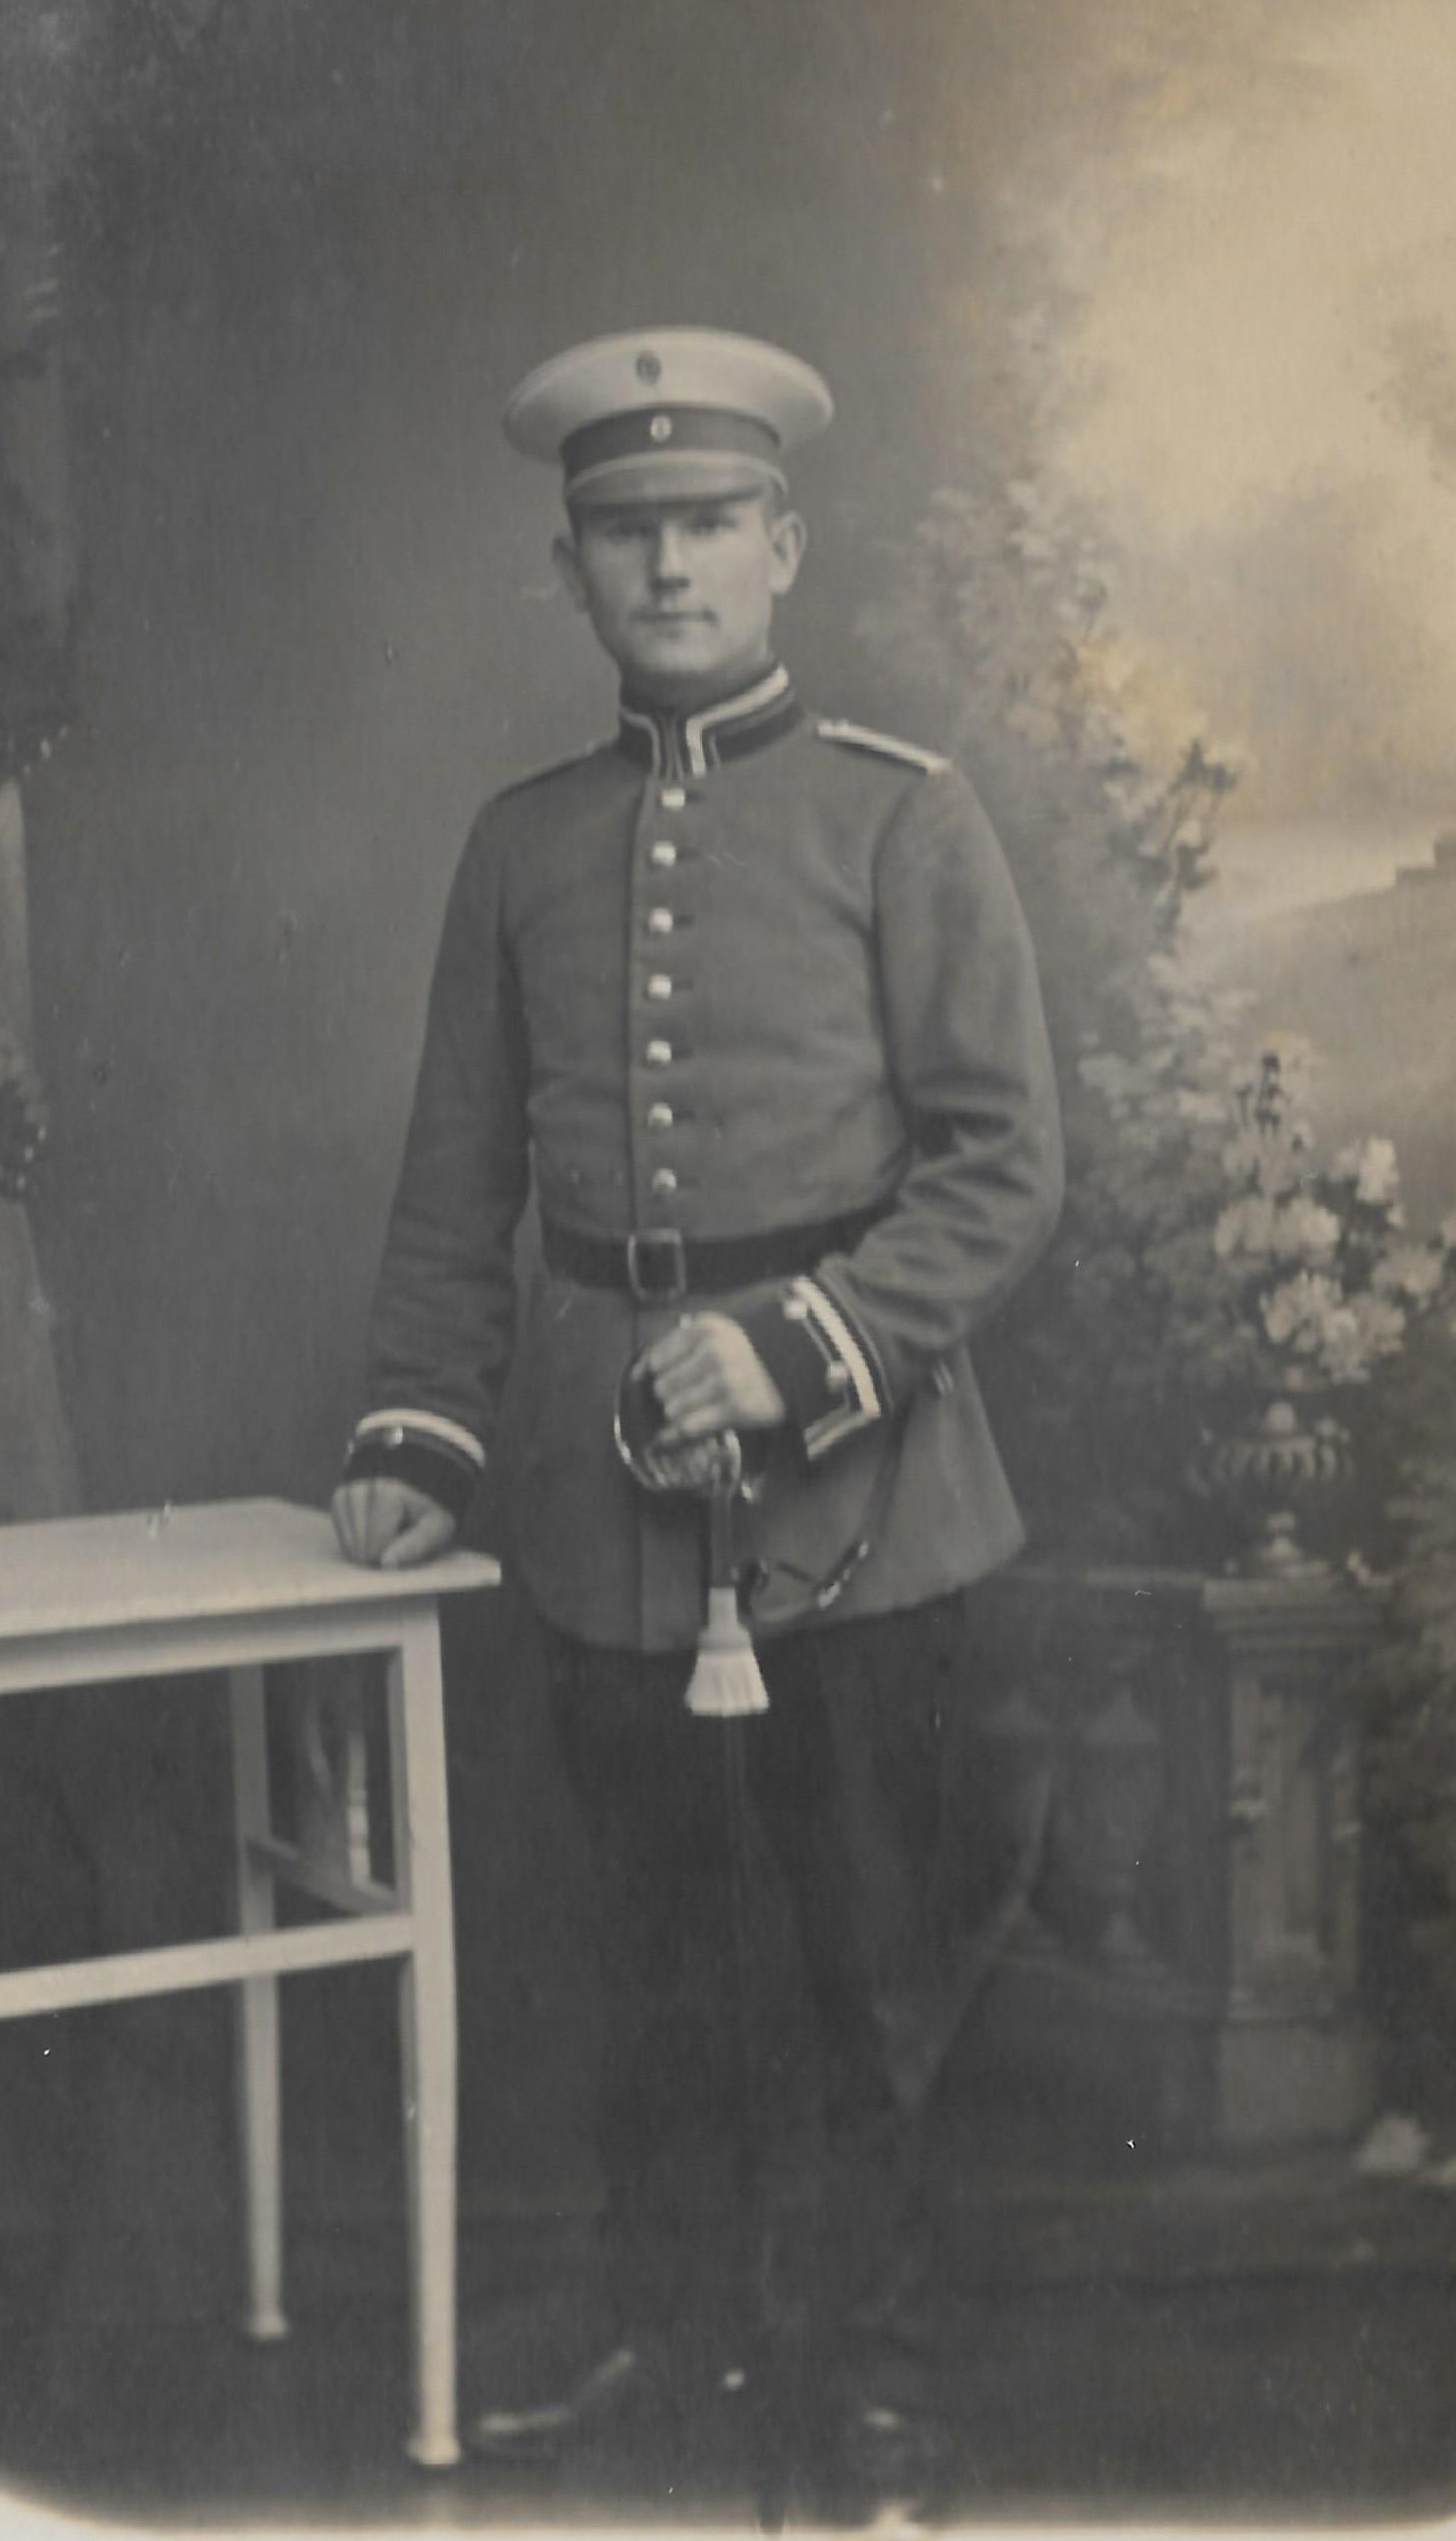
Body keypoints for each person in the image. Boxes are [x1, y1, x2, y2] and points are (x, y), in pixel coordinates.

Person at [332, 328, 1064, 2484]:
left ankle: (877, 2374)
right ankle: (675, 2339)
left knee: (870, 1969)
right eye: (624, 532)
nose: (667, 566)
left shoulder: (900, 813)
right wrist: (416, 1429)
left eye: (707, 525)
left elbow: (1002, 1163)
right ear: (569, 568)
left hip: (864, 1495)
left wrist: (800, 1346)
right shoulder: (519, 846)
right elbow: (456, 1177)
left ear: (782, 548)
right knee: (644, 1956)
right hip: (603, 1501)